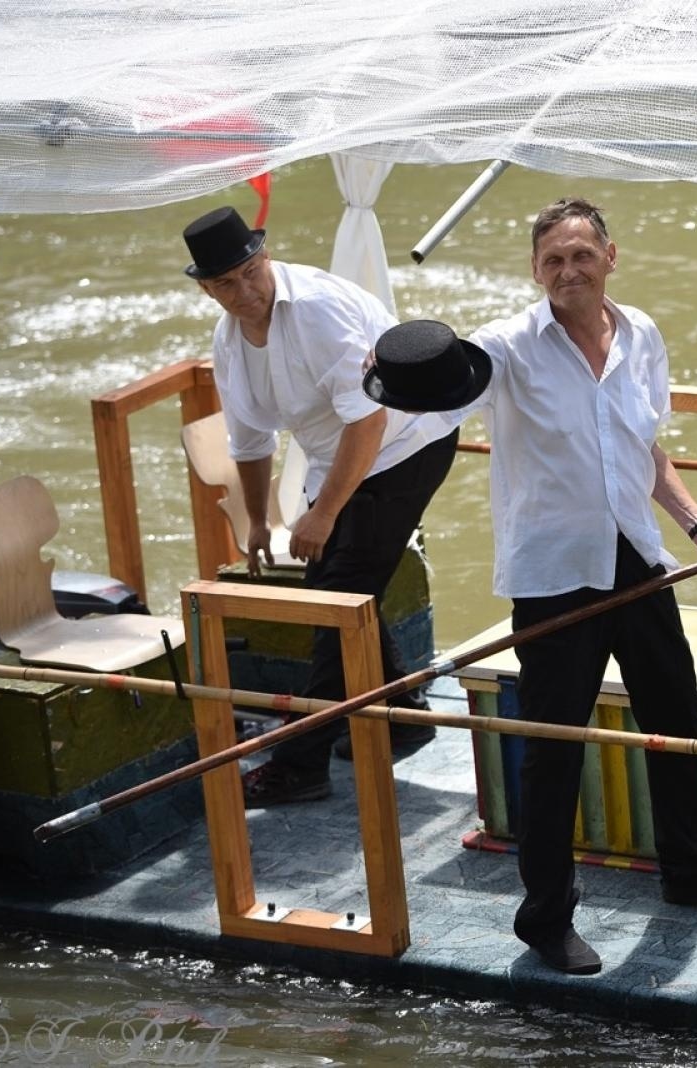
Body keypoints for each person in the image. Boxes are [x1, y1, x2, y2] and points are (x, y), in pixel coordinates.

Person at [363, 198, 697, 977]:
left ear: (610, 255)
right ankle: (546, 918)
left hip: (635, 557)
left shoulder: (641, 333)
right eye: (553, 261)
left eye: (581, 255)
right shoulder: (508, 347)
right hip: (553, 576)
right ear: (535, 271)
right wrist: (393, 378)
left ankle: (689, 875)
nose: (568, 271)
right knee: (554, 748)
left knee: (674, 717)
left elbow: (645, 446)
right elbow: (445, 388)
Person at [182, 205, 460, 807]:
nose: (243, 290)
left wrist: (324, 513)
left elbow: (369, 420)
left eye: (250, 272)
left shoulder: (316, 310)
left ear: (266, 257)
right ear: (206, 289)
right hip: (340, 456)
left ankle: (299, 765)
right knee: (339, 585)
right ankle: (402, 715)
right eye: (225, 283)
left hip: (406, 443)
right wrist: (260, 520)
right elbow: (250, 440)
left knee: (334, 600)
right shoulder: (229, 340)